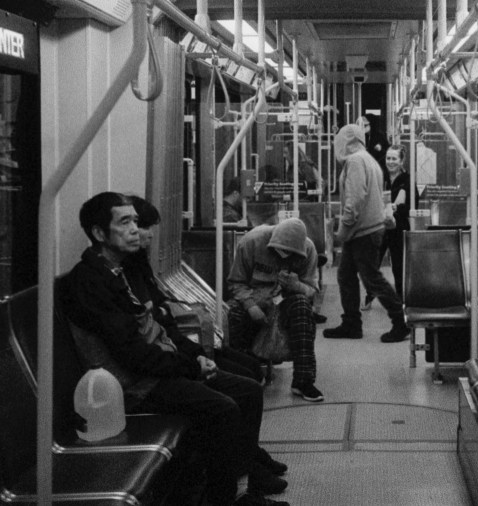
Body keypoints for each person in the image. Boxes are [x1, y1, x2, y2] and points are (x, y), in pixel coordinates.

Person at [59, 192, 289, 506]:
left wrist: (195, 356)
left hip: (157, 367)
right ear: (99, 233)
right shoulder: (89, 283)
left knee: (247, 391)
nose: (135, 230)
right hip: (134, 384)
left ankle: (244, 479)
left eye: (135, 221)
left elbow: (163, 326)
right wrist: (191, 367)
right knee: (222, 408)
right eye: (124, 222)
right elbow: (131, 354)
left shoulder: (125, 270)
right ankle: (224, 499)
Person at [125, 195, 263, 383]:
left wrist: (196, 354)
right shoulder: (125, 277)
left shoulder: (140, 265)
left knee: (252, 368)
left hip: (173, 344)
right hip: (163, 355)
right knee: (247, 383)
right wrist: (194, 362)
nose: (150, 234)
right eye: (145, 227)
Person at [323, 124, 410, 343]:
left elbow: (355, 199)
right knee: (346, 276)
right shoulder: (370, 160)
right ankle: (351, 323)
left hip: (363, 230)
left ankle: (400, 322)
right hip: (366, 229)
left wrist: (343, 228)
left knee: (372, 279)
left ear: (345, 141)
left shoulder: (355, 161)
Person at [226, 217, 324, 403]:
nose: (284, 256)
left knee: (303, 308)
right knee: (234, 313)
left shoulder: (309, 250)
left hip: (286, 301)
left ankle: (303, 380)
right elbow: (236, 282)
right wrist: (251, 306)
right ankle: (247, 373)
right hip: (254, 298)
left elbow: (312, 290)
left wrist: (296, 285)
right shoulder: (251, 242)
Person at [363, 144, 410, 309]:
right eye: (388, 158)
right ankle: (369, 296)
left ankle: (401, 300)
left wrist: (395, 207)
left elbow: (409, 205)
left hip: (398, 228)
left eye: (394, 158)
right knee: (373, 263)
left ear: (401, 161)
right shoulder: (380, 177)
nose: (390, 161)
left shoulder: (407, 180)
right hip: (379, 227)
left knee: (398, 266)